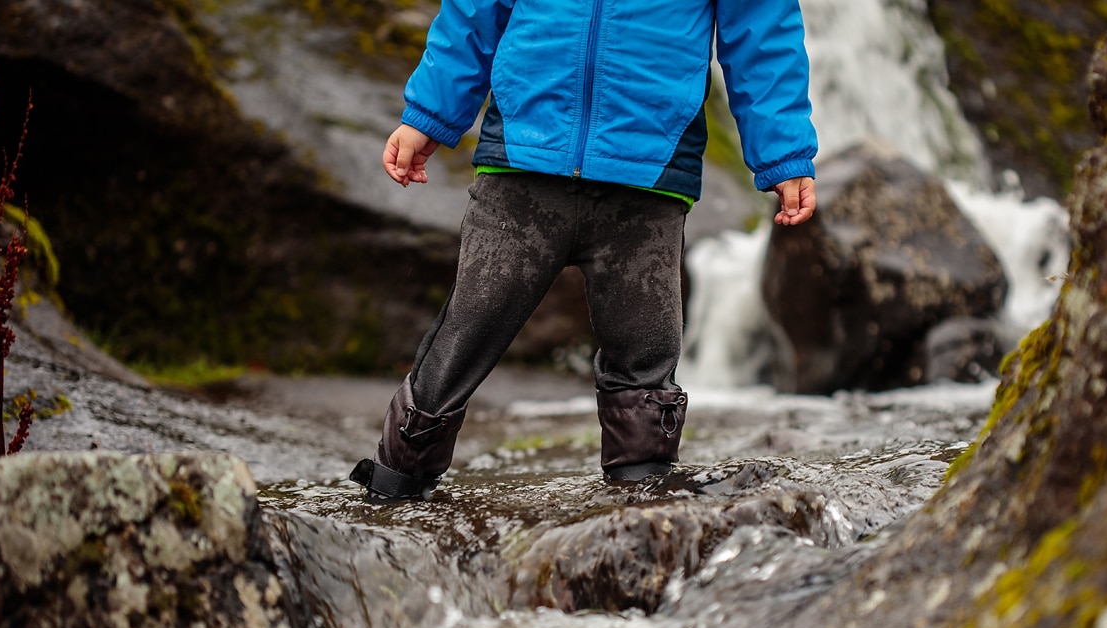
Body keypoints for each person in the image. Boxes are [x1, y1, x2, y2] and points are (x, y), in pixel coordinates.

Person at [350, 0, 819, 503]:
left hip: (648, 175)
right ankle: (398, 483)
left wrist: (783, 152)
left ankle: (643, 502)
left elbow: (762, 28)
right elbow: (474, 12)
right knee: (468, 329)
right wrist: (429, 114)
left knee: (644, 355)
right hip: (524, 161)